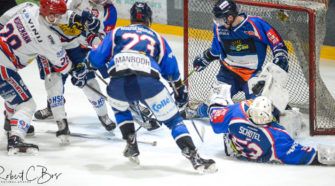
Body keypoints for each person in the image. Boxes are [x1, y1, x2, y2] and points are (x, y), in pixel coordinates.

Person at [88, 2, 217, 173]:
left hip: (117, 85)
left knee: (121, 110)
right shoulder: (157, 37)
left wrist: (86, 65)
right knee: (174, 121)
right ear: (149, 19)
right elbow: (171, 70)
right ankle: (194, 157)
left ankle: (131, 143)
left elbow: (95, 60)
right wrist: (179, 92)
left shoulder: (116, 33)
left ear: (132, 17)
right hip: (148, 85)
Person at [32, 0, 118, 141]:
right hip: (50, 44)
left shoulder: (109, 10)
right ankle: (60, 120)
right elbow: (59, 15)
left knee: (89, 82)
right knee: (54, 81)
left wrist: (94, 42)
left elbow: (99, 35)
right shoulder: (72, 3)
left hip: (74, 45)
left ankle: (104, 115)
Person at [189, 0, 290, 119]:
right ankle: (196, 112)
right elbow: (216, 51)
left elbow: (277, 43)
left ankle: (281, 110)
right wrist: (205, 57)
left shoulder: (255, 24)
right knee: (214, 105)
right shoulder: (218, 28)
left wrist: (280, 56)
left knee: (260, 108)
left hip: (253, 74)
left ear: (230, 17)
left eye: (221, 19)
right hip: (228, 73)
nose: (218, 23)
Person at [0, 0, 76, 154]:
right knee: (27, 105)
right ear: (48, 15)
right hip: (3, 67)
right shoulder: (49, 39)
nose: (60, 19)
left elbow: (3, 20)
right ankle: (16, 138)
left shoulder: (28, 6)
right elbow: (64, 66)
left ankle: (11, 122)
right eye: (57, 16)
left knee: (14, 96)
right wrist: (76, 69)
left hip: (4, 60)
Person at [207, 93, 335, 165]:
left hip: (233, 151)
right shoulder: (277, 136)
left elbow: (215, 120)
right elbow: (310, 156)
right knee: (289, 117)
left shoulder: (237, 112)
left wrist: (216, 102)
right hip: (260, 158)